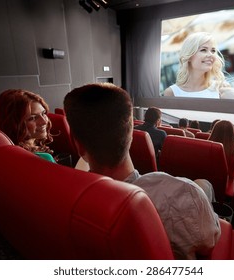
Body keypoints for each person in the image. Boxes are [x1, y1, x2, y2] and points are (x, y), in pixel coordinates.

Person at [64, 83, 220, 260]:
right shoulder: (182, 192)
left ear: (76, 144)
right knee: (204, 185)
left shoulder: (64, 202)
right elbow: (209, 244)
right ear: (131, 133)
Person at [163, 32, 234, 100]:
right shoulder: (171, 93)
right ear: (188, 56)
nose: (210, 55)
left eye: (213, 50)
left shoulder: (221, 87)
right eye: (203, 50)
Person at [0, 89, 56, 163]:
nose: (44, 122)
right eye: (32, 118)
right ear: (14, 124)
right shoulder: (43, 158)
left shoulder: (5, 151)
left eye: (43, 113)